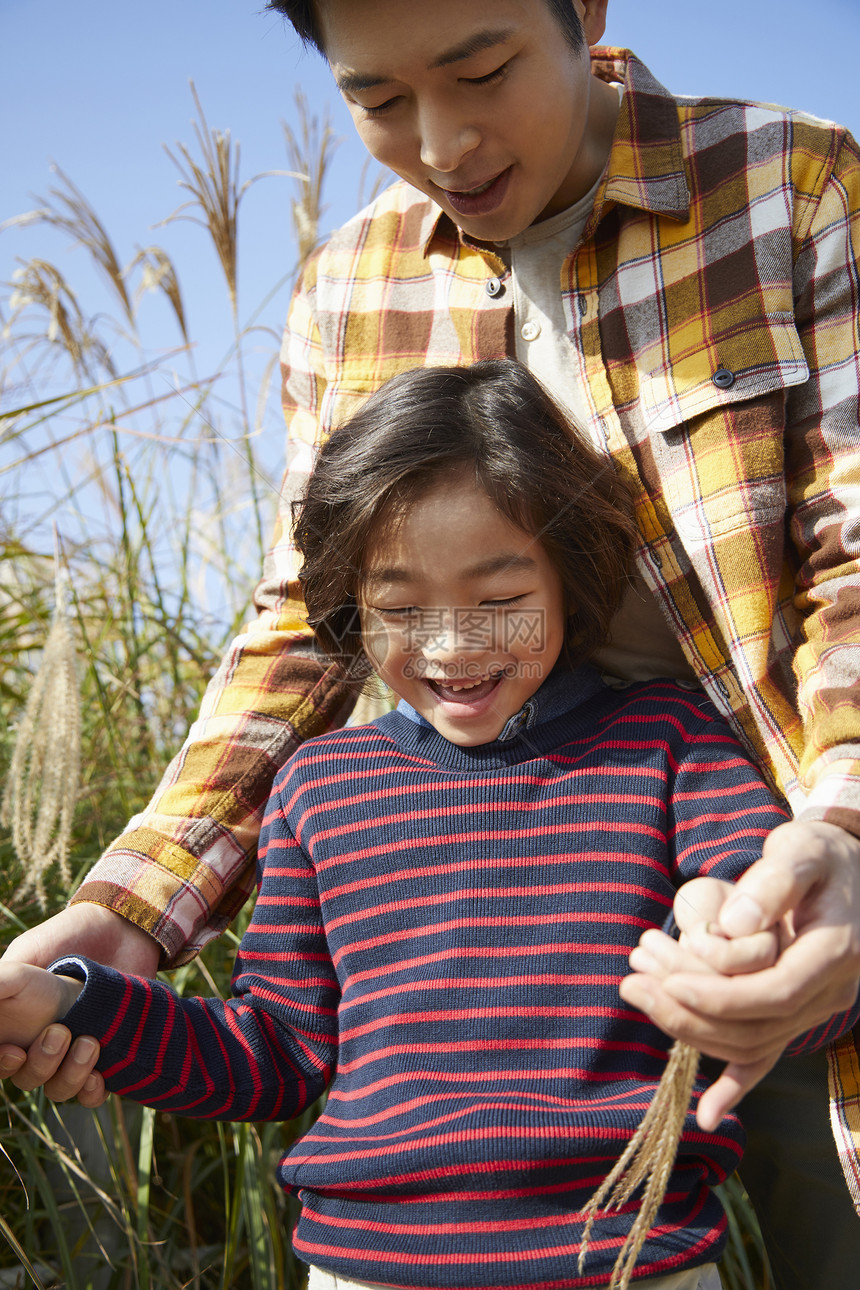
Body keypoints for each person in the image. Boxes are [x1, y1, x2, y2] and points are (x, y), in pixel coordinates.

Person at [3, 1, 860, 1283]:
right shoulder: (348, 281)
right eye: (379, 99)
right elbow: (304, 616)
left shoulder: (793, 191)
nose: (444, 141)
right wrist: (123, 922)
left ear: (585, 13)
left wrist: (833, 839)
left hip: (769, 861)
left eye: (480, 69)